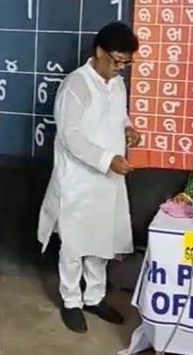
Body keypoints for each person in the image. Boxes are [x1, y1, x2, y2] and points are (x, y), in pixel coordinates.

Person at [38, 22, 141, 334]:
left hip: (108, 179)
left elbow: (118, 114)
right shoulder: (76, 86)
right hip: (78, 179)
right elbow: (70, 135)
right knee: (73, 243)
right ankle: (71, 301)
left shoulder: (116, 83)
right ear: (99, 52)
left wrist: (128, 128)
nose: (120, 68)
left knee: (101, 241)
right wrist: (108, 159)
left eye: (126, 63)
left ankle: (94, 296)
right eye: (117, 61)